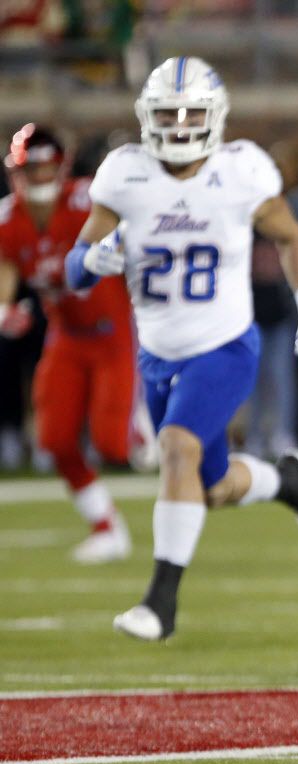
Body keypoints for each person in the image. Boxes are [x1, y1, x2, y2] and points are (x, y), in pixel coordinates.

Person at [64, 56, 298, 641]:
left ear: (216, 117)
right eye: (169, 113)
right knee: (207, 486)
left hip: (225, 346)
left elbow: (292, 237)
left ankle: (160, 604)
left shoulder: (242, 171)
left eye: (193, 114)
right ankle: (286, 482)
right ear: (146, 116)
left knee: (177, 447)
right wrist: (91, 261)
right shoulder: (125, 174)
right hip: (158, 355)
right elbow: (73, 270)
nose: (181, 126)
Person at [1, 123, 138, 563]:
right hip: (66, 338)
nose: (39, 178)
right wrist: (4, 310)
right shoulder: (9, 220)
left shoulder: (88, 202)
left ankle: (150, 418)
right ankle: (106, 525)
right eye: (31, 170)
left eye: (46, 169)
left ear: (60, 168)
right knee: (56, 439)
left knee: (114, 445)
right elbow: (6, 272)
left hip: (113, 332)